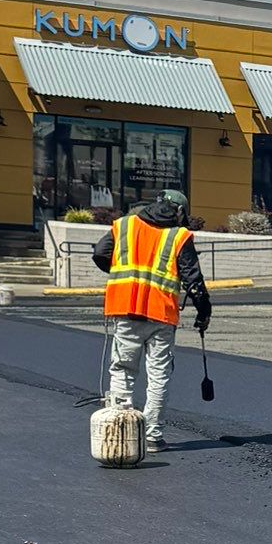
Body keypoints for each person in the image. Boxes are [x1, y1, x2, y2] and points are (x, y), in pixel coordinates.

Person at [91, 186, 210, 452]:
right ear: (179, 212)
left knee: (123, 370)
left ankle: (121, 433)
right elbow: (193, 281)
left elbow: (100, 253)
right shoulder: (179, 236)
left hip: (125, 310)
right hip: (161, 314)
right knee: (158, 375)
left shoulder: (124, 225)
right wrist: (204, 312)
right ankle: (153, 436)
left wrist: (119, 272)